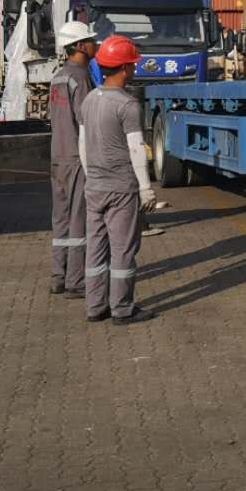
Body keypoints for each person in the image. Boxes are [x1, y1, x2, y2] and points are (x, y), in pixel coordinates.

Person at [79, 34, 158, 326]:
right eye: (132, 64)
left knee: (96, 248)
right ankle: (122, 309)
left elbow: (82, 144)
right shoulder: (128, 105)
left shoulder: (89, 100)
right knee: (123, 250)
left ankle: (95, 306)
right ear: (124, 68)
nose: (135, 69)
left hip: (94, 187)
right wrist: (146, 188)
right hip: (121, 188)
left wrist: (91, 178)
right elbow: (137, 149)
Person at [48, 21, 97, 297]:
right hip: (77, 158)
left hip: (57, 156)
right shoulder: (80, 77)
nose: (95, 44)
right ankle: (76, 281)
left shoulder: (57, 76)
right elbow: (87, 121)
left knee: (61, 219)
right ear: (79, 46)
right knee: (79, 220)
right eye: (90, 39)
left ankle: (59, 275)